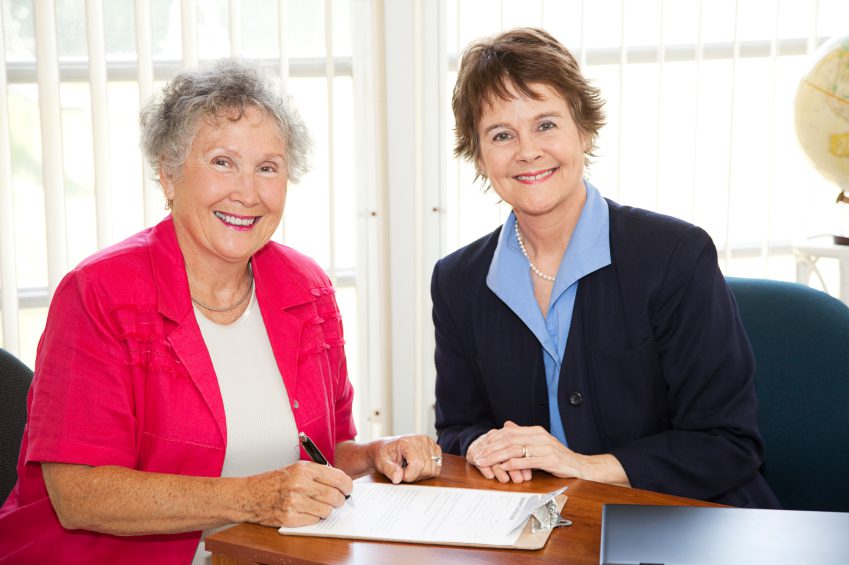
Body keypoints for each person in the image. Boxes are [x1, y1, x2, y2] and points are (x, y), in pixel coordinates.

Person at [0, 59, 442, 564]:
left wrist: (376, 456)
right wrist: (251, 498)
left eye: (268, 168)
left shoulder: (308, 289)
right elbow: (79, 496)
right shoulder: (98, 293)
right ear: (168, 174)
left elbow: (323, 452)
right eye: (222, 162)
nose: (248, 193)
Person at [432, 28, 778, 508]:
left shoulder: (676, 254)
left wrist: (584, 468)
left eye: (546, 124)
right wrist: (483, 447)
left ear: (585, 130)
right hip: (546, 529)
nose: (527, 150)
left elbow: (726, 443)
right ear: (478, 152)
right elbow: (457, 428)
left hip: (689, 520)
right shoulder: (457, 281)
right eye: (501, 134)